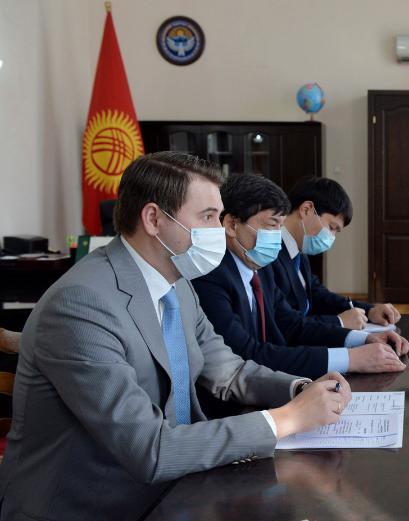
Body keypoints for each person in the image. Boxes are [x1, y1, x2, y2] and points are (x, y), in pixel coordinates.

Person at [0, 152, 351, 521]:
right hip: (97, 507)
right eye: (208, 217)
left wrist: (299, 389)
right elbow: (150, 449)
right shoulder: (81, 304)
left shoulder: (177, 284)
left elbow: (229, 371)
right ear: (154, 219)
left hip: (177, 486)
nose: (221, 230)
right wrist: (286, 420)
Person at [193, 173, 409, 378]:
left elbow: (293, 325)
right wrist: (350, 359)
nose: (277, 237)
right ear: (231, 224)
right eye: (271, 226)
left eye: (279, 226)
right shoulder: (211, 277)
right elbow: (248, 355)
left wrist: (363, 340)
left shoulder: (258, 270)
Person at [273, 176, 400, 329]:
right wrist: (339, 322)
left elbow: (318, 295)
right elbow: (284, 322)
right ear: (306, 210)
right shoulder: (269, 255)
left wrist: (370, 310)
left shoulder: (298, 252)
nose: (331, 237)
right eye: (332, 227)